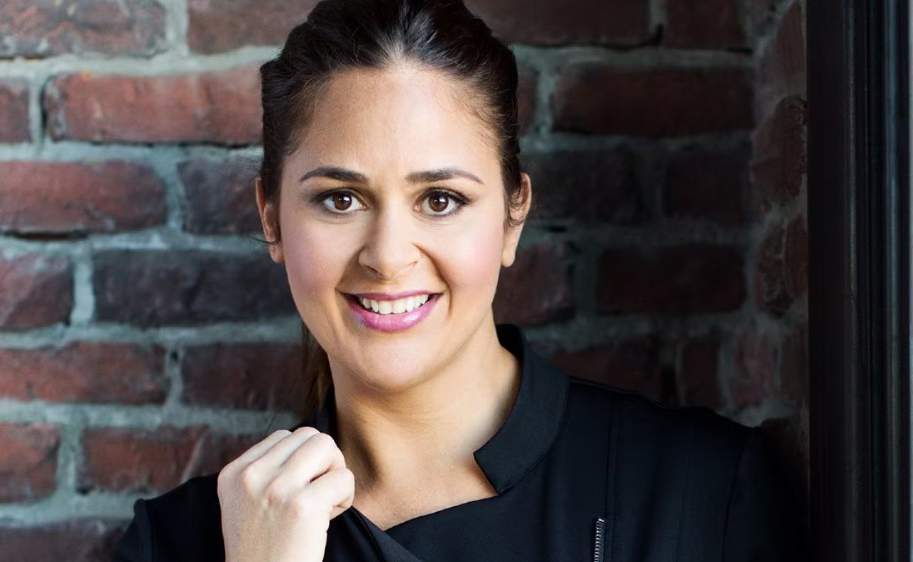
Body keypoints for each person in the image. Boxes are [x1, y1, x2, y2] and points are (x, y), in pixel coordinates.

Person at [112, 0, 797, 560]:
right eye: (340, 200)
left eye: (440, 200)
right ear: (271, 218)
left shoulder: (698, 492)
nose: (387, 257)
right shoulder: (177, 544)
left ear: (512, 216)